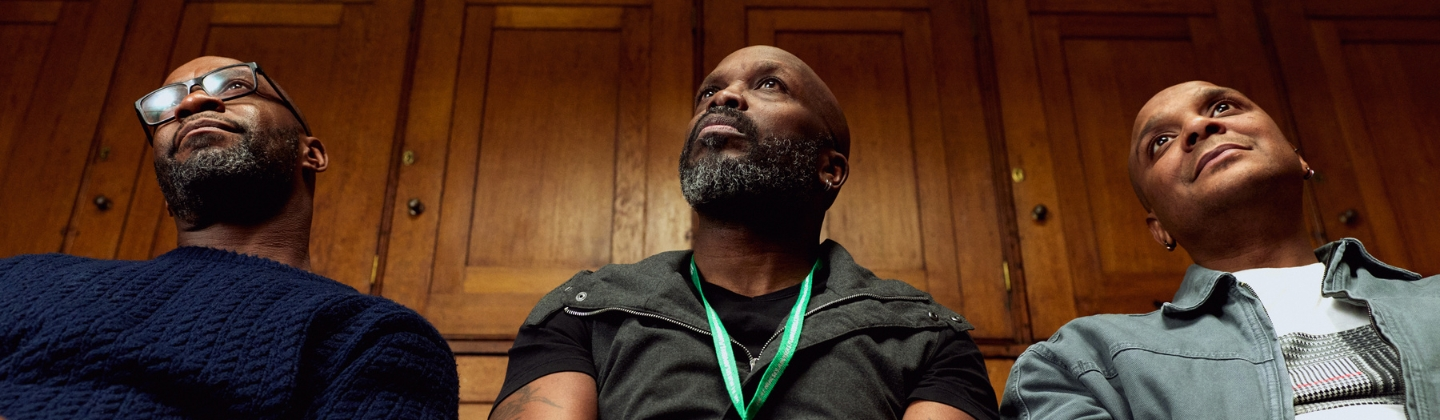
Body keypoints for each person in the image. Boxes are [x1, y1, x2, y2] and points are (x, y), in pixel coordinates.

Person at [490, 46, 999, 420]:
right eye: (709, 91)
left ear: (829, 169)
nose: (725, 96)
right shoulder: (583, 312)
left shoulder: (926, 338)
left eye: (770, 85)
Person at [0, 56, 459, 419]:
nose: (190, 104)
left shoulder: (372, 335)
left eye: (233, 85)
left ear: (311, 153)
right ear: (166, 192)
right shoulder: (20, 279)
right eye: (164, 105)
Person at [1000, 81, 1440, 419]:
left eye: (1222, 107)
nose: (1198, 126)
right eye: (1160, 142)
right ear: (1159, 228)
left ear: (1298, 157)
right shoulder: (1079, 364)